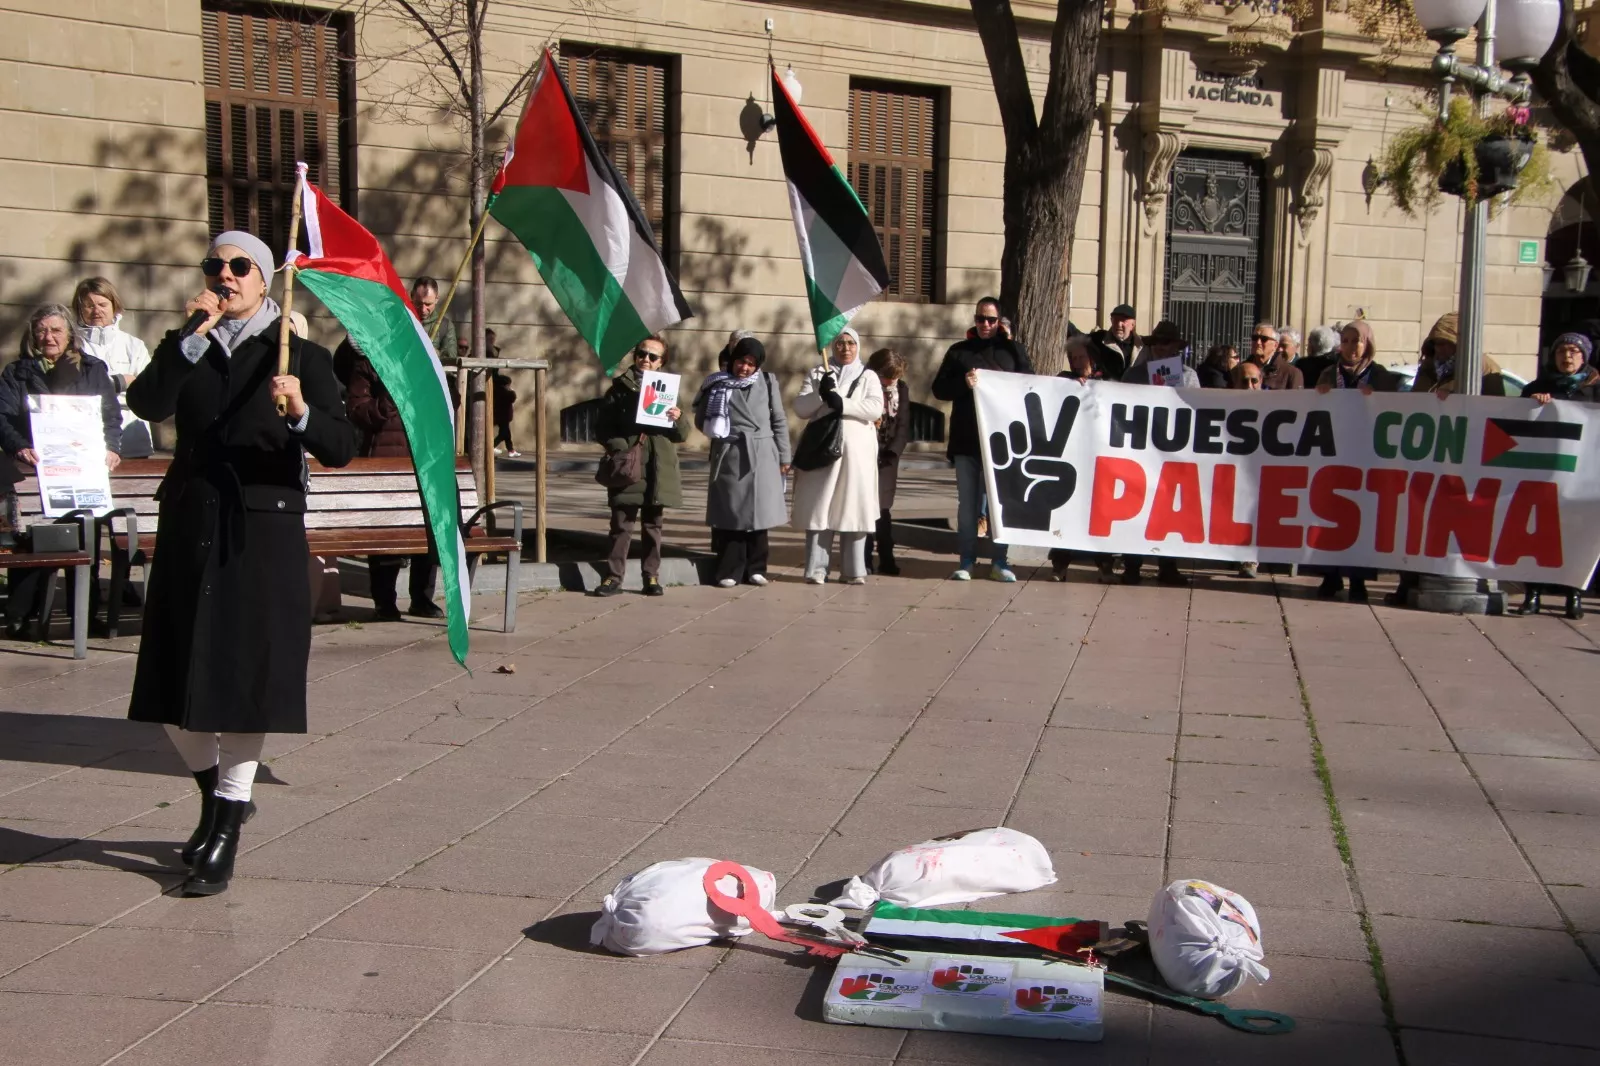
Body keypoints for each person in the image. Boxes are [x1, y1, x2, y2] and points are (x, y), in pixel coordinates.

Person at [125, 230, 356, 896]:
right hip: (191, 525)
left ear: (264, 280)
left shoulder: (300, 356)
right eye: (215, 266)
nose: (225, 277)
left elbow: (339, 445)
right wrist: (190, 336)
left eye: (239, 267)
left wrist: (303, 412)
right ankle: (218, 801)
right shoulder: (188, 346)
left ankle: (225, 830)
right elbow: (147, 405)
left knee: (245, 681)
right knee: (173, 683)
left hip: (261, 533)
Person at [1, 304, 124, 639]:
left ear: (70, 334)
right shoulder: (18, 372)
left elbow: (111, 416)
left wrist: (112, 448)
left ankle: (84, 615)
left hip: (81, 471)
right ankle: (22, 617)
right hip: (34, 469)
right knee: (34, 542)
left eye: (56, 330)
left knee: (87, 538)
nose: (48, 337)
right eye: (42, 331)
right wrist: (19, 446)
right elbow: (4, 418)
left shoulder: (92, 369)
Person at [932, 297, 1033, 582]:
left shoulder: (1014, 351)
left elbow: (1030, 384)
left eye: (990, 320)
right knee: (968, 507)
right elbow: (939, 389)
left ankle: (1000, 560)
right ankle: (966, 560)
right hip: (966, 441)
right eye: (980, 319)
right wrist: (963, 383)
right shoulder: (958, 351)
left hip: (1001, 444)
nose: (985, 325)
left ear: (999, 321)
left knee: (1000, 506)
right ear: (974, 319)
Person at [344, 342, 441, 620]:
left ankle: (422, 598)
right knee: (386, 532)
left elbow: (451, 401)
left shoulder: (424, 359)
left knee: (425, 531)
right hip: (385, 460)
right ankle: (384, 601)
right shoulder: (368, 364)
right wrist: (388, 398)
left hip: (423, 458)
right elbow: (357, 411)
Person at [592, 335, 688, 597]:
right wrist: (622, 448)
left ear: (661, 363)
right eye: (642, 354)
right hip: (630, 466)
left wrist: (677, 419)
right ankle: (613, 578)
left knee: (653, 526)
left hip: (658, 468)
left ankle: (652, 577)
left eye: (653, 356)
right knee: (621, 525)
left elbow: (682, 435)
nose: (646, 359)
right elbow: (603, 429)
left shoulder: (669, 390)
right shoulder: (618, 390)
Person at [1312, 320, 1401, 602]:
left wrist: (1378, 400)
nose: (1351, 347)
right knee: (1330, 513)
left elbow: (1397, 413)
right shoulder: (1328, 373)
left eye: (1357, 341)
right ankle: (1331, 575)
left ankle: (1359, 580)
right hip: (1334, 455)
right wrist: (1320, 397)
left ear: (1368, 344)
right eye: (1347, 341)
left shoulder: (1383, 376)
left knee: (1361, 517)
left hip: (1367, 459)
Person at [1515, 332, 1599, 619]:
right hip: (1545, 473)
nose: (1568, 357)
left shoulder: (1596, 389)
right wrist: (1534, 404)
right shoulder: (1537, 387)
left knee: (1577, 535)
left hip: (1584, 477)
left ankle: (1573, 595)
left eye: (1574, 352)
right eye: (1562, 351)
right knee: (1538, 534)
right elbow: (1518, 421)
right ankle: (1533, 594)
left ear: (1585, 357)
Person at [792, 327, 885, 585]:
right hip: (823, 449)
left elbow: (874, 408)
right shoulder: (818, 372)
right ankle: (816, 569)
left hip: (857, 455)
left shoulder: (869, 376)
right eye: (840, 343)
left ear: (858, 346)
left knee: (853, 508)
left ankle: (853, 570)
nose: (845, 348)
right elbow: (800, 407)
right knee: (820, 507)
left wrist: (841, 402)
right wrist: (821, 394)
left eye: (850, 343)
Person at [695, 336, 790, 586]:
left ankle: (757, 567)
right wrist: (715, 425)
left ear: (758, 365)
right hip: (731, 451)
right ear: (732, 360)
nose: (744, 368)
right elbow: (701, 420)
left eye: (751, 363)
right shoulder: (717, 384)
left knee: (760, 513)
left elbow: (779, 420)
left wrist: (785, 456)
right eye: (740, 361)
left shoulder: (768, 382)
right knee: (731, 513)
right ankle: (730, 570)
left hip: (762, 452)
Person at [1121, 320, 1195, 585]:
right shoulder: (1133, 376)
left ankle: (1168, 566)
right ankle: (1132, 566)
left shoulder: (1188, 376)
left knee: (1169, 511)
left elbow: (1197, 410)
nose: (1163, 350)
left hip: (1172, 453)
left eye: (1168, 345)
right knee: (1136, 509)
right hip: (1141, 452)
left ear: (1176, 347)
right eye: (1158, 345)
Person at [1051, 336, 1114, 582]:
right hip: (1069, 455)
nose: (1076, 362)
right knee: (1067, 510)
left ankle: (1105, 564)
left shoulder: (1106, 382)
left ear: (1092, 357)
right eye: (1072, 358)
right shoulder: (1062, 379)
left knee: (1099, 510)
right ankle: (1060, 564)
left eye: (1081, 357)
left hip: (1098, 456)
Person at [73, 277, 153, 459]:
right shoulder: (73, 346)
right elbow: (75, 392)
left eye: (102, 304)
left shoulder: (134, 346)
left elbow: (146, 392)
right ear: (80, 309)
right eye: (89, 305)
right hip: (86, 441)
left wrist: (100, 388)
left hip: (132, 442)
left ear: (114, 306)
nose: (96, 311)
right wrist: (119, 383)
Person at [864, 347, 910, 576]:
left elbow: (903, 424)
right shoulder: (865, 385)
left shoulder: (901, 389)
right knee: (865, 507)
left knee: (883, 508)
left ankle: (886, 557)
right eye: (886, 376)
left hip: (888, 457)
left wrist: (894, 451)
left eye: (895, 376)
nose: (891, 381)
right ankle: (864, 557)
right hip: (866, 452)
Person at [1413, 312, 1511, 396]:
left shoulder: (1485, 368)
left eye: (1443, 343)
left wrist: (1453, 389)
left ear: (1459, 344)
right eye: (1435, 343)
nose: (1438, 349)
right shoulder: (1429, 366)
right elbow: (1415, 398)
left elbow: (1493, 408)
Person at [412, 276, 457, 368]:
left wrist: (436, 353)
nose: (423, 309)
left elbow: (451, 360)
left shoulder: (445, 325)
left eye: (428, 304)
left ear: (436, 299)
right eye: (418, 303)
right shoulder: (401, 319)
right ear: (412, 296)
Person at [1088, 303, 1138, 380]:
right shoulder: (1099, 339)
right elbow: (1075, 335)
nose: (1119, 324)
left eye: (1123, 320)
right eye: (1115, 320)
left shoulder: (1142, 346)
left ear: (1133, 324)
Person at [1247, 323, 1303, 390]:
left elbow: (1296, 399)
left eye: (1264, 339)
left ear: (1275, 345)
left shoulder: (1291, 373)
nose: (1258, 342)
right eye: (1255, 338)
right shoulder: (1240, 370)